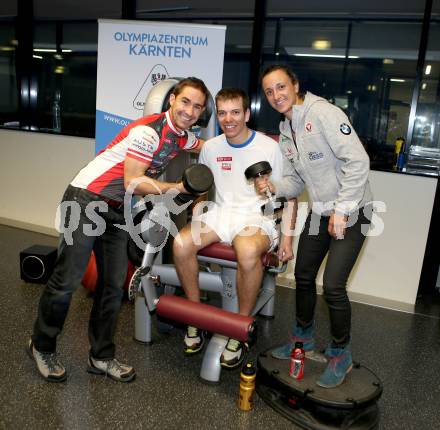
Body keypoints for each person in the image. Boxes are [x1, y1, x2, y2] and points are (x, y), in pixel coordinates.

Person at [29, 77, 209, 383]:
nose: (190, 111)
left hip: (118, 209)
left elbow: (209, 146)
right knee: (68, 277)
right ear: (172, 101)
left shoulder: (182, 136)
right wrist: (177, 188)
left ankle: (101, 356)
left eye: (197, 106)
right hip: (85, 197)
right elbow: (133, 182)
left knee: (113, 285)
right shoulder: (147, 132)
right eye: (185, 102)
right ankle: (42, 345)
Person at [259, 65, 372, 388]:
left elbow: (358, 161)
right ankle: (302, 339)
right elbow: (297, 180)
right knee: (304, 275)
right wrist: (273, 186)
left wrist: (343, 209)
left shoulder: (323, 113)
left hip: (354, 211)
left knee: (334, 285)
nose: (276, 95)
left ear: (295, 85)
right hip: (321, 213)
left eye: (281, 87)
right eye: (269, 91)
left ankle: (340, 354)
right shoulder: (286, 128)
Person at [173, 87, 295, 369]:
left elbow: (289, 196)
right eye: (223, 113)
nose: (229, 119)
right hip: (221, 213)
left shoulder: (269, 148)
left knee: (247, 248)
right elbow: (205, 185)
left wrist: (287, 240)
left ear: (247, 114)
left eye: (236, 112)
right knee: (181, 244)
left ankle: (238, 330)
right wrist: (198, 206)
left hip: (256, 215)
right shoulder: (212, 147)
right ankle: (195, 318)